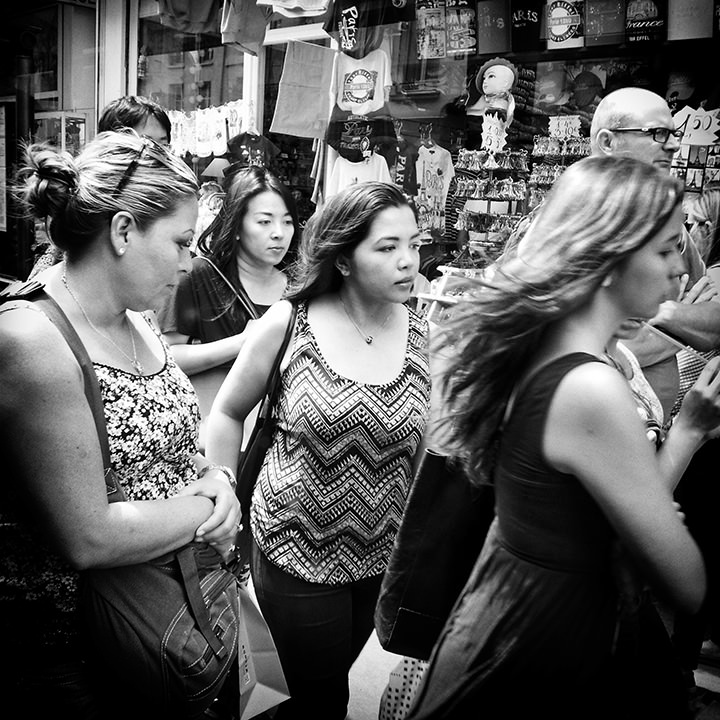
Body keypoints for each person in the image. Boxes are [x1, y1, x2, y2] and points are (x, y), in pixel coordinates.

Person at [403, 155, 720, 720]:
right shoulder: (590, 384)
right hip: (550, 633)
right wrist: (690, 432)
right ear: (609, 259)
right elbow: (687, 582)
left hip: (506, 605)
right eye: (668, 248)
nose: (681, 269)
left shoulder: (542, 346)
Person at [0, 129, 241, 717]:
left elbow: (171, 442)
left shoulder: (137, 317)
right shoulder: (32, 338)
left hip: (162, 615)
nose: (191, 262)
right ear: (124, 231)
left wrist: (214, 475)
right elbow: (88, 536)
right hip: (75, 657)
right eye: (182, 242)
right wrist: (210, 510)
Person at [205, 181, 432, 720]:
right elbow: (228, 412)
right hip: (294, 549)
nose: (408, 261)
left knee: (321, 682)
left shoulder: (424, 331)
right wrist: (222, 491)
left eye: (414, 244)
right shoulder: (291, 322)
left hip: (380, 552)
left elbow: (425, 443)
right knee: (321, 694)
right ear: (345, 259)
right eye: (386, 247)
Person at [156, 165, 299, 450]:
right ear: (235, 227)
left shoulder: (299, 286)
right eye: (264, 222)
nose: (279, 233)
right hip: (215, 439)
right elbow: (165, 359)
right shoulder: (199, 277)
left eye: (287, 222)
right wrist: (243, 342)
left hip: (279, 440)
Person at [28, 95, 173, 279]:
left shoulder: (160, 199)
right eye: (146, 143)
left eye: (164, 145)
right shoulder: (92, 201)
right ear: (111, 146)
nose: (158, 155)